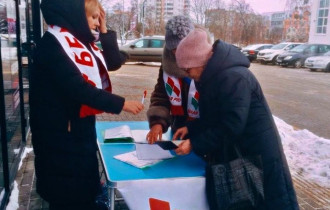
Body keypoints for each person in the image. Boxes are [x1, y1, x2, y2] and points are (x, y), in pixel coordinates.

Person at [30, 0, 143, 209]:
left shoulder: (78, 42)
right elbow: (78, 89)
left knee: (83, 190)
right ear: (74, 15)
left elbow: (114, 61)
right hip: (61, 139)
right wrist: (122, 104)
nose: (95, 23)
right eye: (92, 17)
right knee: (68, 198)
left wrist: (104, 27)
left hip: (78, 132)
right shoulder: (53, 45)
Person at [173, 29, 299, 209]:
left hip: (257, 158)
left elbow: (231, 125)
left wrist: (195, 143)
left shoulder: (233, 77)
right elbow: (216, 116)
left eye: (188, 68)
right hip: (243, 154)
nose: (187, 74)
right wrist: (191, 129)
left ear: (199, 61)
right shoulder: (216, 76)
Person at [146, 15, 196, 143]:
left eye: (183, 48)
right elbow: (161, 96)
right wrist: (158, 122)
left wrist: (195, 135)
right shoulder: (167, 65)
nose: (178, 53)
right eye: (174, 49)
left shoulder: (206, 64)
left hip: (202, 131)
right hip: (177, 128)